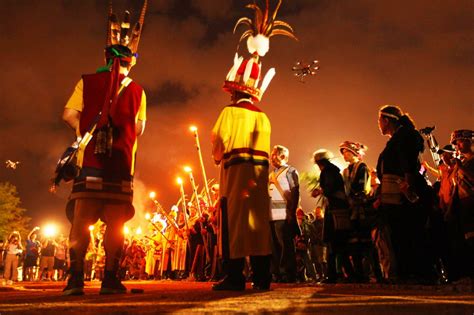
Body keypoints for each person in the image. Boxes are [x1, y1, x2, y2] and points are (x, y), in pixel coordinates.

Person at [61, 1, 148, 296]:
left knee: (81, 221)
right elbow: (138, 129)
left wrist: (85, 130)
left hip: (91, 163)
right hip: (122, 165)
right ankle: (109, 279)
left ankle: (74, 279)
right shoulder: (138, 91)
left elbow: (68, 115)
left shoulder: (87, 82)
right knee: (116, 224)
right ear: (130, 61)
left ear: (105, 55)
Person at [210, 0, 296, 291]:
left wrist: (217, 156)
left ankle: (234, 276)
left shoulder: (228, 112)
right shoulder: (265, 116)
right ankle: (262, 277)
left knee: (233, 224)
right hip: (258, 181)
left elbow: (218, 147)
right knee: (258, 226)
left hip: (235, 179)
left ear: (234, 91)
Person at [375, 105, 433, 283]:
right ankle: (407, 272)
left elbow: (407, 163)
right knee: (400, 233)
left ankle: (418, 273)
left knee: (408, 232)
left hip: (404, 196)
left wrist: (408, 188)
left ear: (386, 120)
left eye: (379, 120)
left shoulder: (405, 136)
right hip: (394, 197)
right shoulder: (397, 138)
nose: (378, 124)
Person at [311, 149, 353, 283]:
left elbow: (330, 188)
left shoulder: (327, 172)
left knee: (333, 242)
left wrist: (320, 191)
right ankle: (349, 273)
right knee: (339, 244)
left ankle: (332, 275)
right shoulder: (334, 171)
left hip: (334, 210)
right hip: (339, 209)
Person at [445, 129, 474, 282]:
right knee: (465, 240)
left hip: (472, 203)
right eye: (456, 143)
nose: (458, 146)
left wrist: (461, 167)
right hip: (462, 206)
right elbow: (455, 186)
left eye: (461, 141)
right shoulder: (461, 163)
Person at [268, 145, 300, 283]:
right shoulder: (271, 174)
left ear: (282, 156)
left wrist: (291, 212)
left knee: (285, 246)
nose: (271, 157)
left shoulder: (291, 171)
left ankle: (288, 273)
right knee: (274, 247)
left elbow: (295, 191)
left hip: (284, 214)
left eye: (274, 154)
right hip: (271, 216)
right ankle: (277, 274)